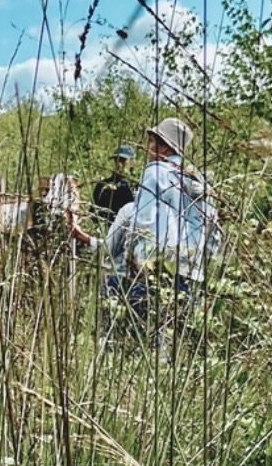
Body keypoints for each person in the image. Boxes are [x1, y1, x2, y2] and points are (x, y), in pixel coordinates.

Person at [109, 116, 221, 339]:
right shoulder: (198, 182)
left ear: (163, 145)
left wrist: (134, 261)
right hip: (191, 276)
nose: (149, 148)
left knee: (145, 340)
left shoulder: (155, 172)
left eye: (152, 141)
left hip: (155, 270)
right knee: (176, 346)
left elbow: (143, 222)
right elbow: (214, 236)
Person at [91, 144, 139, 224]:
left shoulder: (137, 187)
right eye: (117, 160)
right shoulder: (103, 185)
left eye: (123, 161)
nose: (119, 164)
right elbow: (93, 213)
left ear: (133, 164)